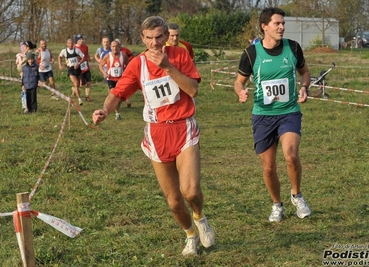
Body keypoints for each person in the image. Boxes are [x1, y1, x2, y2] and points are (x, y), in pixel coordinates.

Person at [93, 16, 215, 256]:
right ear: (142, 39)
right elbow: (118, 92)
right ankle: (191, 234)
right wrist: (105, 110)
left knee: (190, 191)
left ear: (166, 36)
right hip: (157, 132)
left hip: (183, 127)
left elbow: (193, 89)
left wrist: (168, 67)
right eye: (149, 38)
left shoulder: (179, 56)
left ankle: (200, 218)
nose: (155, 43)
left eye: (159, 37)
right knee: (173, 201)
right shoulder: (137, 64)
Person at [234, 7, 312, 223]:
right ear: (264, 26)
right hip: (263, 115)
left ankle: (297, 195)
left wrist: (305, 88)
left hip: (289, 112)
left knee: (291, 155)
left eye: (283, 23)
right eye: (277, 23)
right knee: (268, 168)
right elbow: (239, 81)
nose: (282, 27)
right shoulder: (251, 54)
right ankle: (277, 204)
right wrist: (240, 91)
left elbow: (305, 72)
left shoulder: (293, 48)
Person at [99, 40, 129, 120]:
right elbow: (100, 65)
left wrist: (126, 74)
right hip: (111, 78)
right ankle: (117, 113)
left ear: (119, 47)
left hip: (120, 79)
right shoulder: (108, 56)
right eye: (113, 46)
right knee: (113, 95)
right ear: (110, 47)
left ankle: (116, 107)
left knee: (119, 99)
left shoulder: (124, 55)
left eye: (116, 46)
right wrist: (104, 73)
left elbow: (129, 66)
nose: (115, 48)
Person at [58, 38, 85, 106]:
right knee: (76, 83)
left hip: (77, 68)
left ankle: (74, 90)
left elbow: (84, 57)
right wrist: (60, 65)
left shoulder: (76, 50)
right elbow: (59, 57)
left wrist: (79, 63)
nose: (70, 45)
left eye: (71, 43)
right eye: (69, 43)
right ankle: (79, 99)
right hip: (70, 69)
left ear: (73, 44)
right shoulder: (64, 51)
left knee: (77, 85)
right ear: (67, 44)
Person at [17, 41, 37, 112]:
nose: (23, 48)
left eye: (24, 47)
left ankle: (27, 107)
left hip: (27, 75)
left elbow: (21, 66)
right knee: (25, 92)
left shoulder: (30, 54)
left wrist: (19, 67)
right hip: (26, 75)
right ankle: (27, 106)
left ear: (28, 47)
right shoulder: (27, 54)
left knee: (26, 92)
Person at [114, 38, 134, 107]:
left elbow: (131, 56)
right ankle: (118, 101)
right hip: (114, 74)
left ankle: (126, 100)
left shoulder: (125, 50)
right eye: (116, 45)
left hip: (124, 71)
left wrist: (128, 61)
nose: (117, 46)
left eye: (118, 44)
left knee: (123, 87)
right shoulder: (113, 52)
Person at [74, 34, 93, 102]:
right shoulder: (74, 48)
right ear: (77, 41)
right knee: (81, 84)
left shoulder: (85, 47)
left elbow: (86, 54)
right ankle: (74, 89)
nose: (81, 40)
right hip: (79, 68)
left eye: (82, 39)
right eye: (79, 39)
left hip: (86, 67)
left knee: (89, 82)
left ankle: (87, 96)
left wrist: (90, 57)